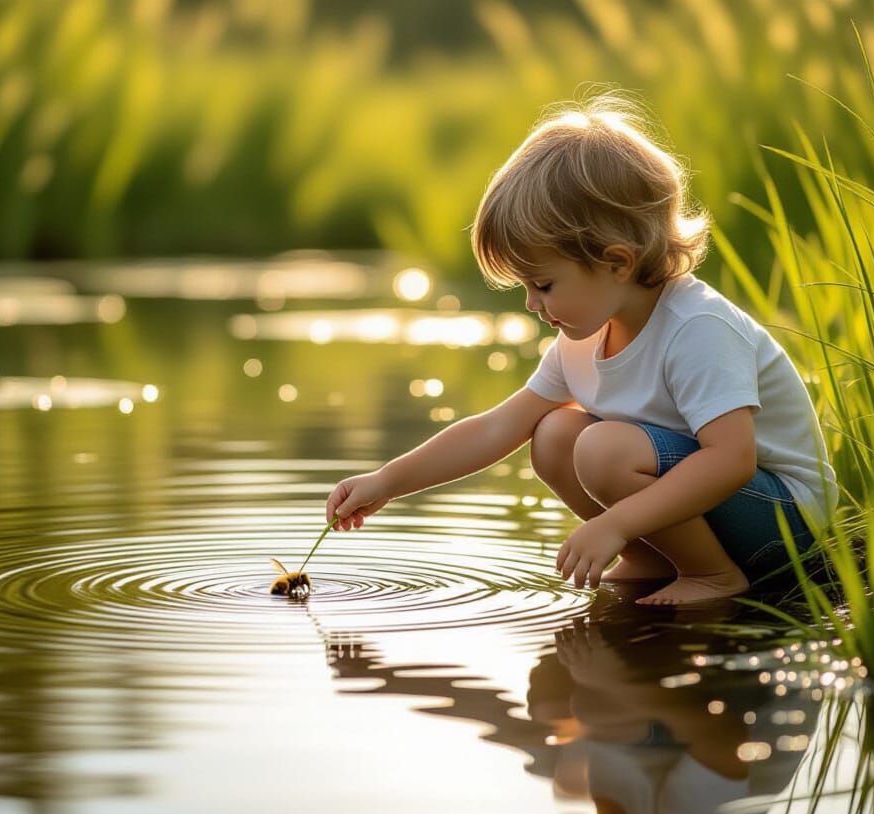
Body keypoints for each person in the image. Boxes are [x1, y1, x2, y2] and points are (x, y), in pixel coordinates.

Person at [325, 93, 837, 606]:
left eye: (544, 284)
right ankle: (656, 556)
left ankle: (714, 576)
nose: (531, 303)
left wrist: (613, 523)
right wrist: (387, 481)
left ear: (616, 261)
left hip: (782, 521)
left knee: (600, 448)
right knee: (552, 433)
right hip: (708, 505)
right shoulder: (584, 336)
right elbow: (498, 426)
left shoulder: (696, 327)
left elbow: (732, 460)